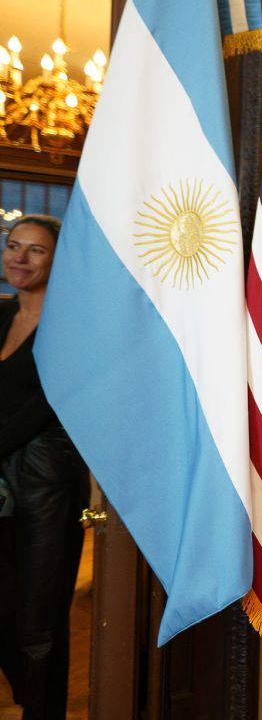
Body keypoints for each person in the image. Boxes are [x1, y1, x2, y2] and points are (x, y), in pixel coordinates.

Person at [0, 214, 90, 720]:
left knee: (40, 621)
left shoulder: (71, 326)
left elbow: (44, 405)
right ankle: (28, 697)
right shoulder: (1, 316)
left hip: (45, 486)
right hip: (2, 485)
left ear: (58, 261)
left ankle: (42, 712)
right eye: (14, 245)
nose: (20, 257)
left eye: (36, 250)